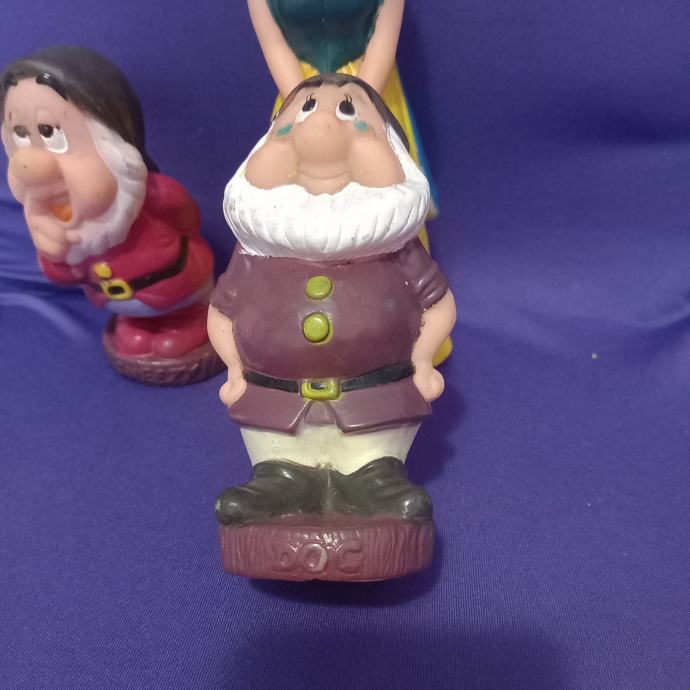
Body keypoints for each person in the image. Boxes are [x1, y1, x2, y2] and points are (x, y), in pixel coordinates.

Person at [209, 75, 456, 549]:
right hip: (274, 400)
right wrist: (236, 369)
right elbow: (222, 313)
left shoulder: (399, 251)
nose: (320, 128)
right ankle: (277, 479)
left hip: (375, 398)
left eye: (348, 111)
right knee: (278, 457)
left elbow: (437, 304)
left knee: (373, 460)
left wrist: (422, 360)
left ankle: (376, 478)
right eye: (302, 111)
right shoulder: (252, 251)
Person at [0, 46, 221, 385]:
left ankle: (190, 318)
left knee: (178, 328)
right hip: (116, 302)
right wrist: (54, 251)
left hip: (181, 290)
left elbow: (187, 220)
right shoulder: (56, 220)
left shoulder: (156, 195)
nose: (31, 165)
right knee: (134, 338)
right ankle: (139, 323)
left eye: (50, 133)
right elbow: (64, 276)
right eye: (21, 136)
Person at [248, 0, 450, 363]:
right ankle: (299, 323)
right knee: (295, 200)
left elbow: (383, 40)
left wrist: (356, 107)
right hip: (301, 98)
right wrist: (307, 106)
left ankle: (403, 325)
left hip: (371, 91)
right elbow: (274, 45)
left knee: (386, 194)